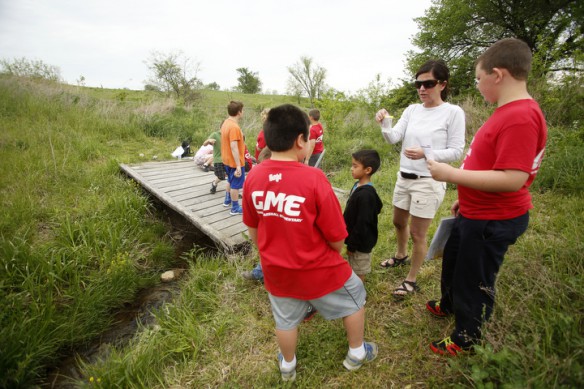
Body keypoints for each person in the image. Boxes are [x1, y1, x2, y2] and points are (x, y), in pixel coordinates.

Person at [425, 38, 547, 355]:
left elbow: (512, 179)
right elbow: (491, 164)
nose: (478, 86)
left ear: (498, 74)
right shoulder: (506, 111)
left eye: (478, 79)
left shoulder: (520, 117)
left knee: (474, 276)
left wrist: (451, 175)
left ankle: (468, 336)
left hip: (494, 219)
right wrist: (466, 198)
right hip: (475, 210)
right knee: (454, 260)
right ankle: (450, 303)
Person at [242, 104, 377, 382]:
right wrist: (334, 252)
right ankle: (356, 353)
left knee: (285, 319)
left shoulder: (253, 176)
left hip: (276, 270)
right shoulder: (314, 177)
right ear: (300, 140)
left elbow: (253, 228)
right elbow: (336, 235)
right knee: (355, 298)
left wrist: (266, 254)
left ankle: (287, 366)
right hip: (318, 267)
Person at [375, 59, 465, 300]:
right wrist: (385, 122)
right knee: (397, 221)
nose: (422, 89)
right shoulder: (412, 110)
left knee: (418, 233)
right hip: (404, 176)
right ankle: (401, 255)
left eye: (429, 83)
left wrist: (427, 153)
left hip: (429, 180)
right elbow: (393, 138)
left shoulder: (453, 112)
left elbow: (457, 151)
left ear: (442, 84)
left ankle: (411, 279)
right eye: (418, 84)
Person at [343, 150, 383, 282]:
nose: (351, 169)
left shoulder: (366, 195)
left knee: (359, 269)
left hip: (360, 243)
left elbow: (363, 223)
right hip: (355, 238)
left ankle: (359, 294)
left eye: (355, 166)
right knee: (353, 265)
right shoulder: (359, 185)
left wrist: (352, 245)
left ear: (367, 170)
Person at [220, 101, 245, 216]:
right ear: (239, 112)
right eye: (242, 110)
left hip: (226, 159)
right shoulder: (234, 127)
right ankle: (235, 208)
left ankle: (227, 200)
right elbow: (234, 146)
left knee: (230, 180)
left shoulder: (226, 122)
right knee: (236, 185)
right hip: (235, 161)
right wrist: (238, 165)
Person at [204, 127, 225, 194]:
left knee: (232, 176)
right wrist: (209, 141)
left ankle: (233, 193)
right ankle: (214, 183)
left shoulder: (229, 134)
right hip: (218, 159)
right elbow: (204, 144)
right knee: (221, 177)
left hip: (228, 159)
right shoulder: (215, 134)